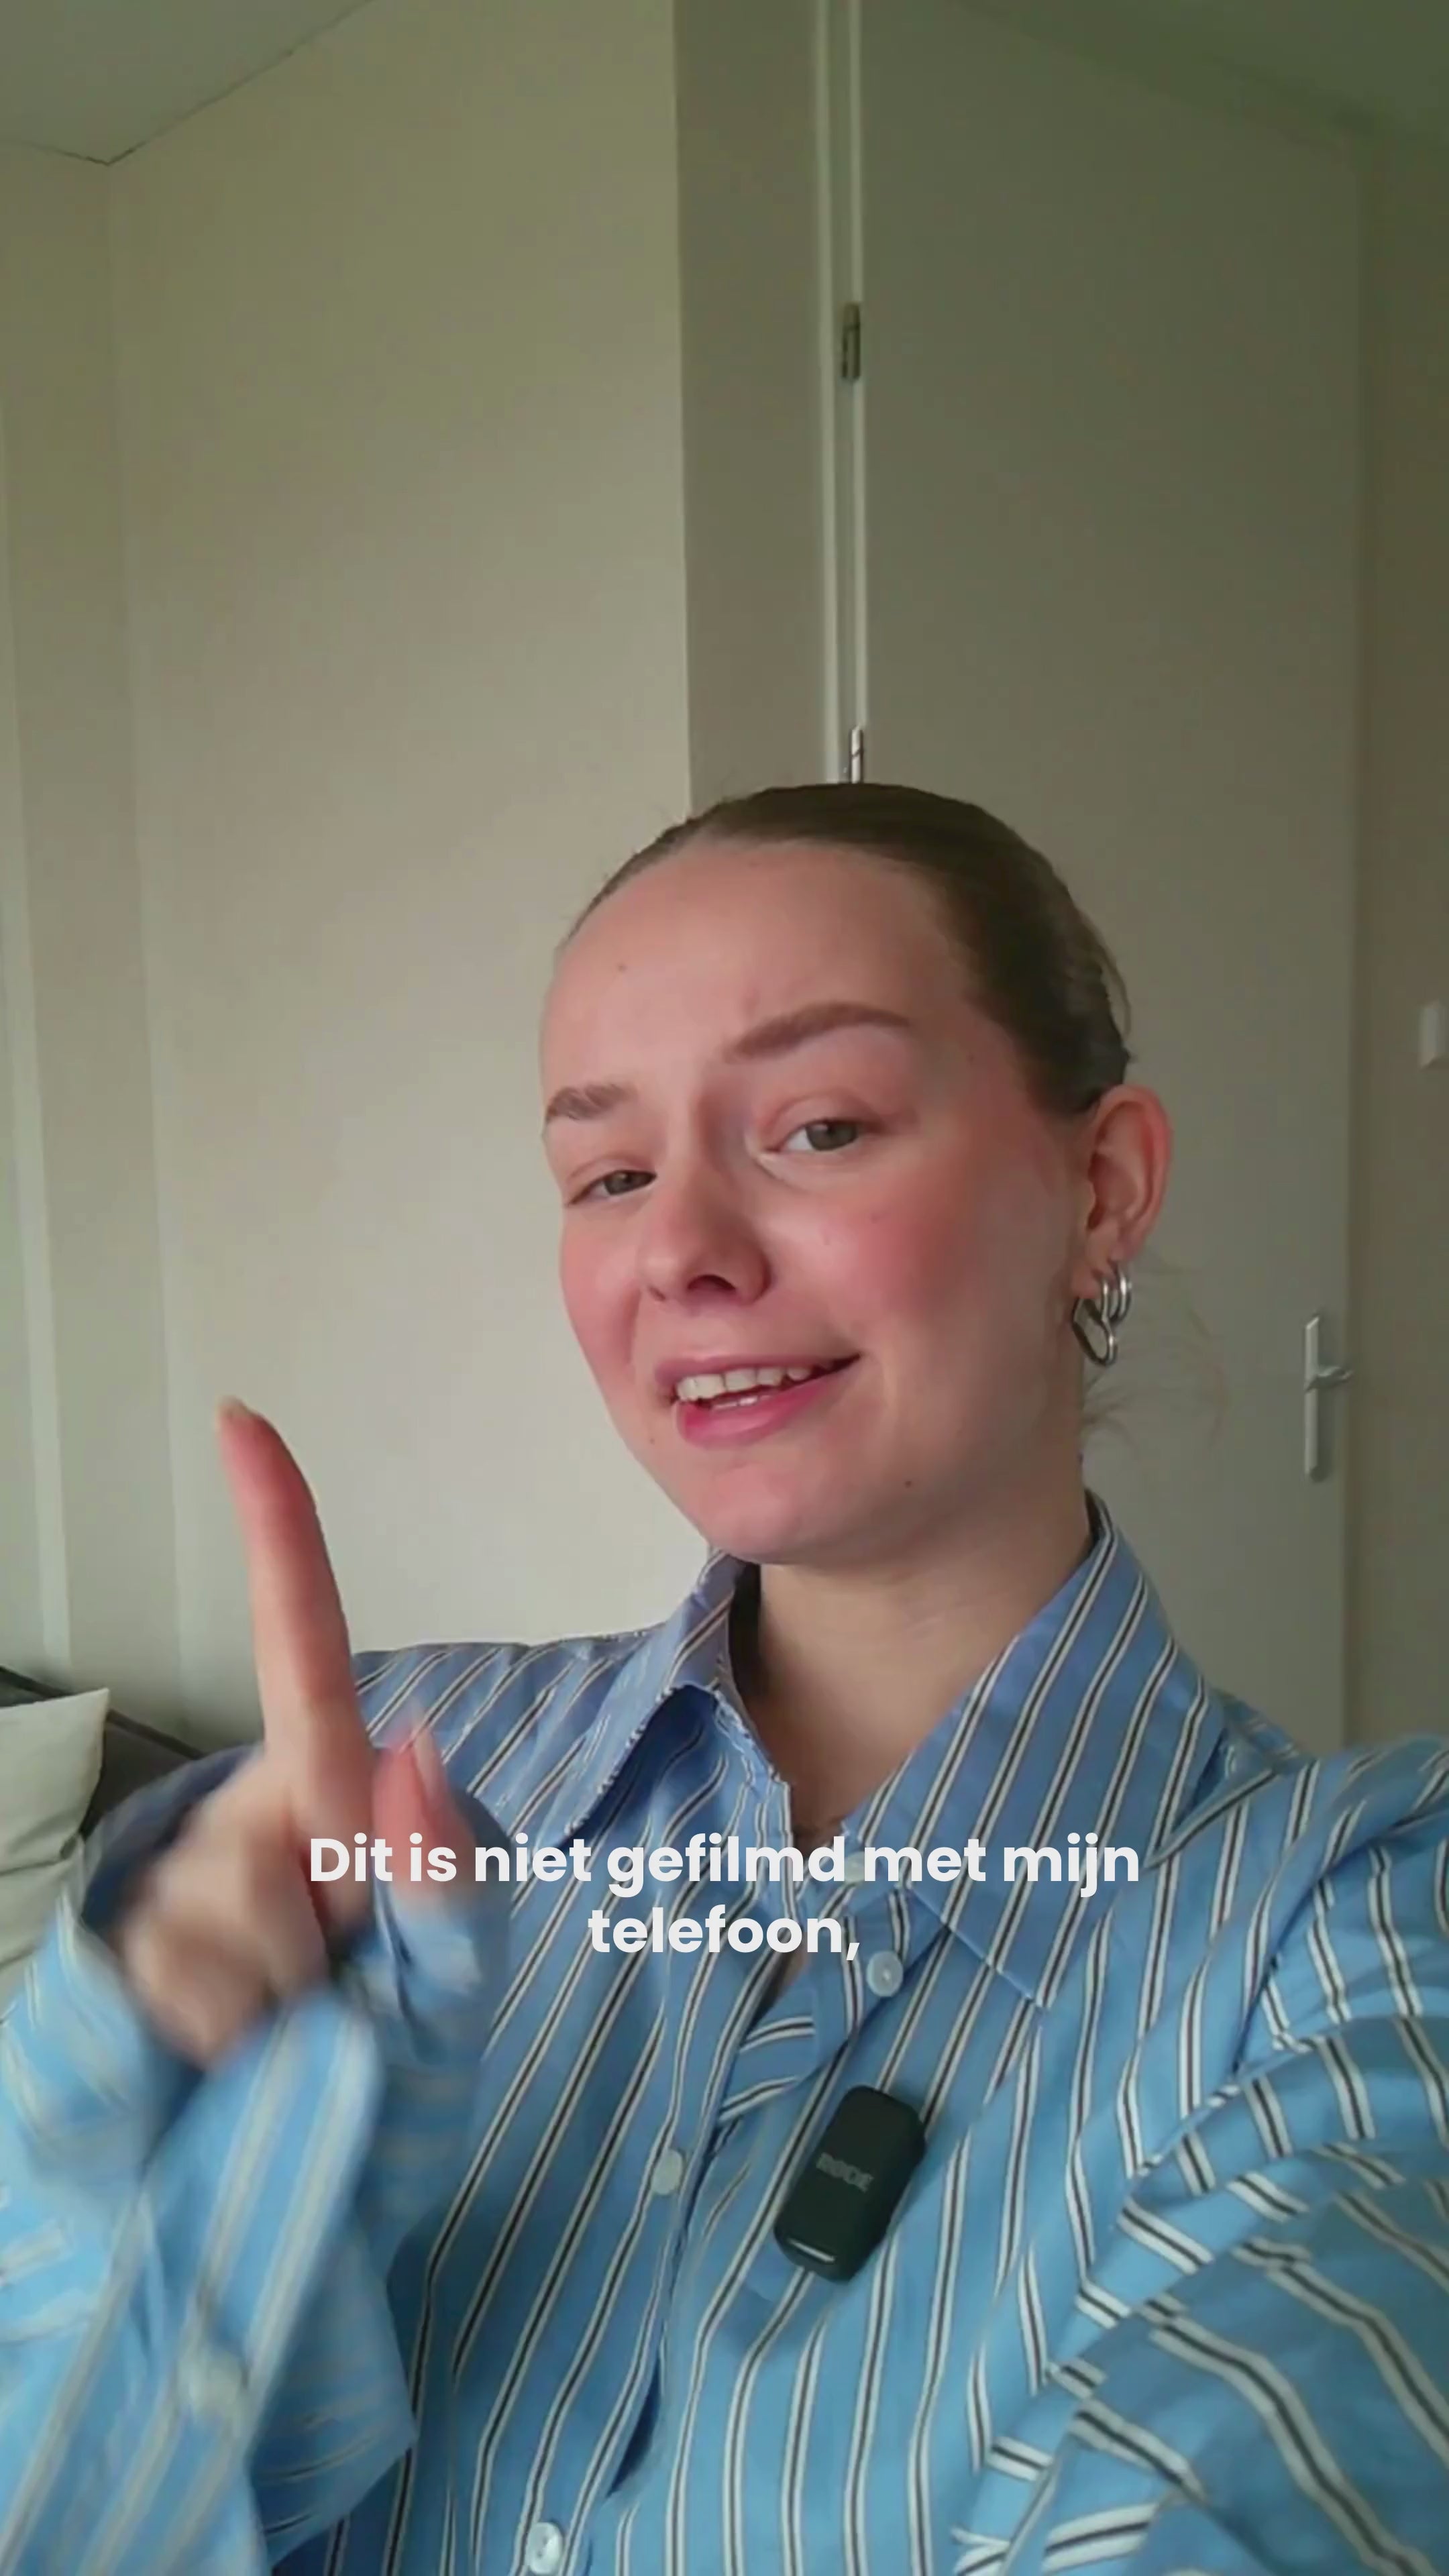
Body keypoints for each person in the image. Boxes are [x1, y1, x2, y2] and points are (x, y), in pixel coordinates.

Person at [1, 781, 1446, 2576]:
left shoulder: (1349, 1920)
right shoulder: (379, 1787)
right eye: (610, 1174)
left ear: (1102, 1189)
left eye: (820, 1127)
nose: (680, 1251)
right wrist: (154, 2146)